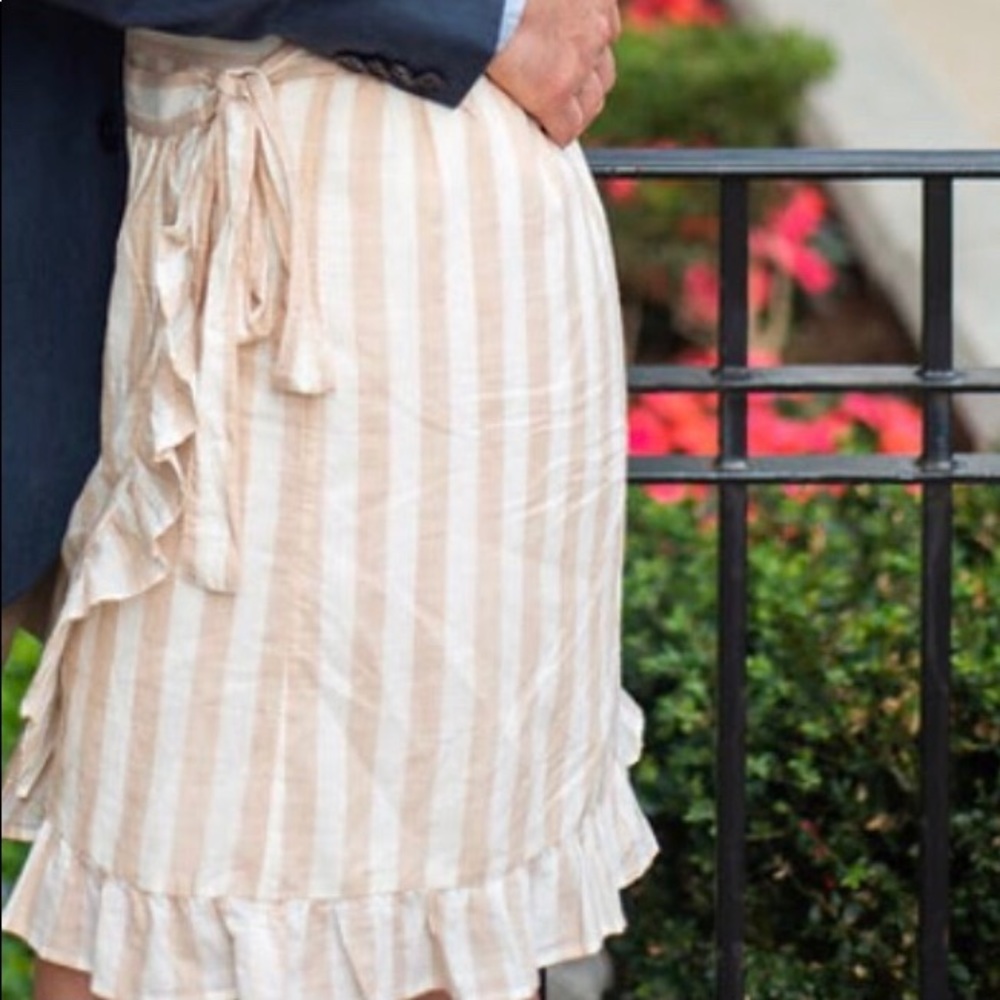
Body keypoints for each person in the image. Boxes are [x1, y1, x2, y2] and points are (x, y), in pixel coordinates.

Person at [1, 2, 658, 999]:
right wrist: (484, 19)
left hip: (399, 238)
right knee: (179, 865)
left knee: (422, 889)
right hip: (286, 216)